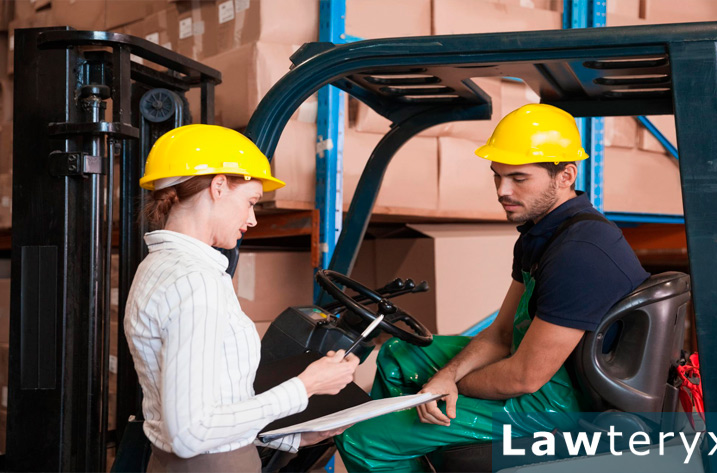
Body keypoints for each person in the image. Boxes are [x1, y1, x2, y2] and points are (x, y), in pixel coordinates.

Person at [335, 104, 650, 472]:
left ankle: (397, 438)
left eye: (518, 178)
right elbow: (501, 333)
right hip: (541, 371)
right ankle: (418, 444)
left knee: (361, 440)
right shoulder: (542, 233)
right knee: (397, 355)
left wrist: (451, 387)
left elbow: (525, 377)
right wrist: (447, 377)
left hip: (560, 404)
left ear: (565, 176)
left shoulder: (580, 252)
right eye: (497, 176)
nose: (503, 191)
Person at [125, 124, 360, 472]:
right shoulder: (194, 280)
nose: (251, 219)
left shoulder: (162, 268)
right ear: (218, 186)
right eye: (250, 202)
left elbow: (214, 405)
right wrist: (306, 386)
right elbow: (190, 433)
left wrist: (290, 438)